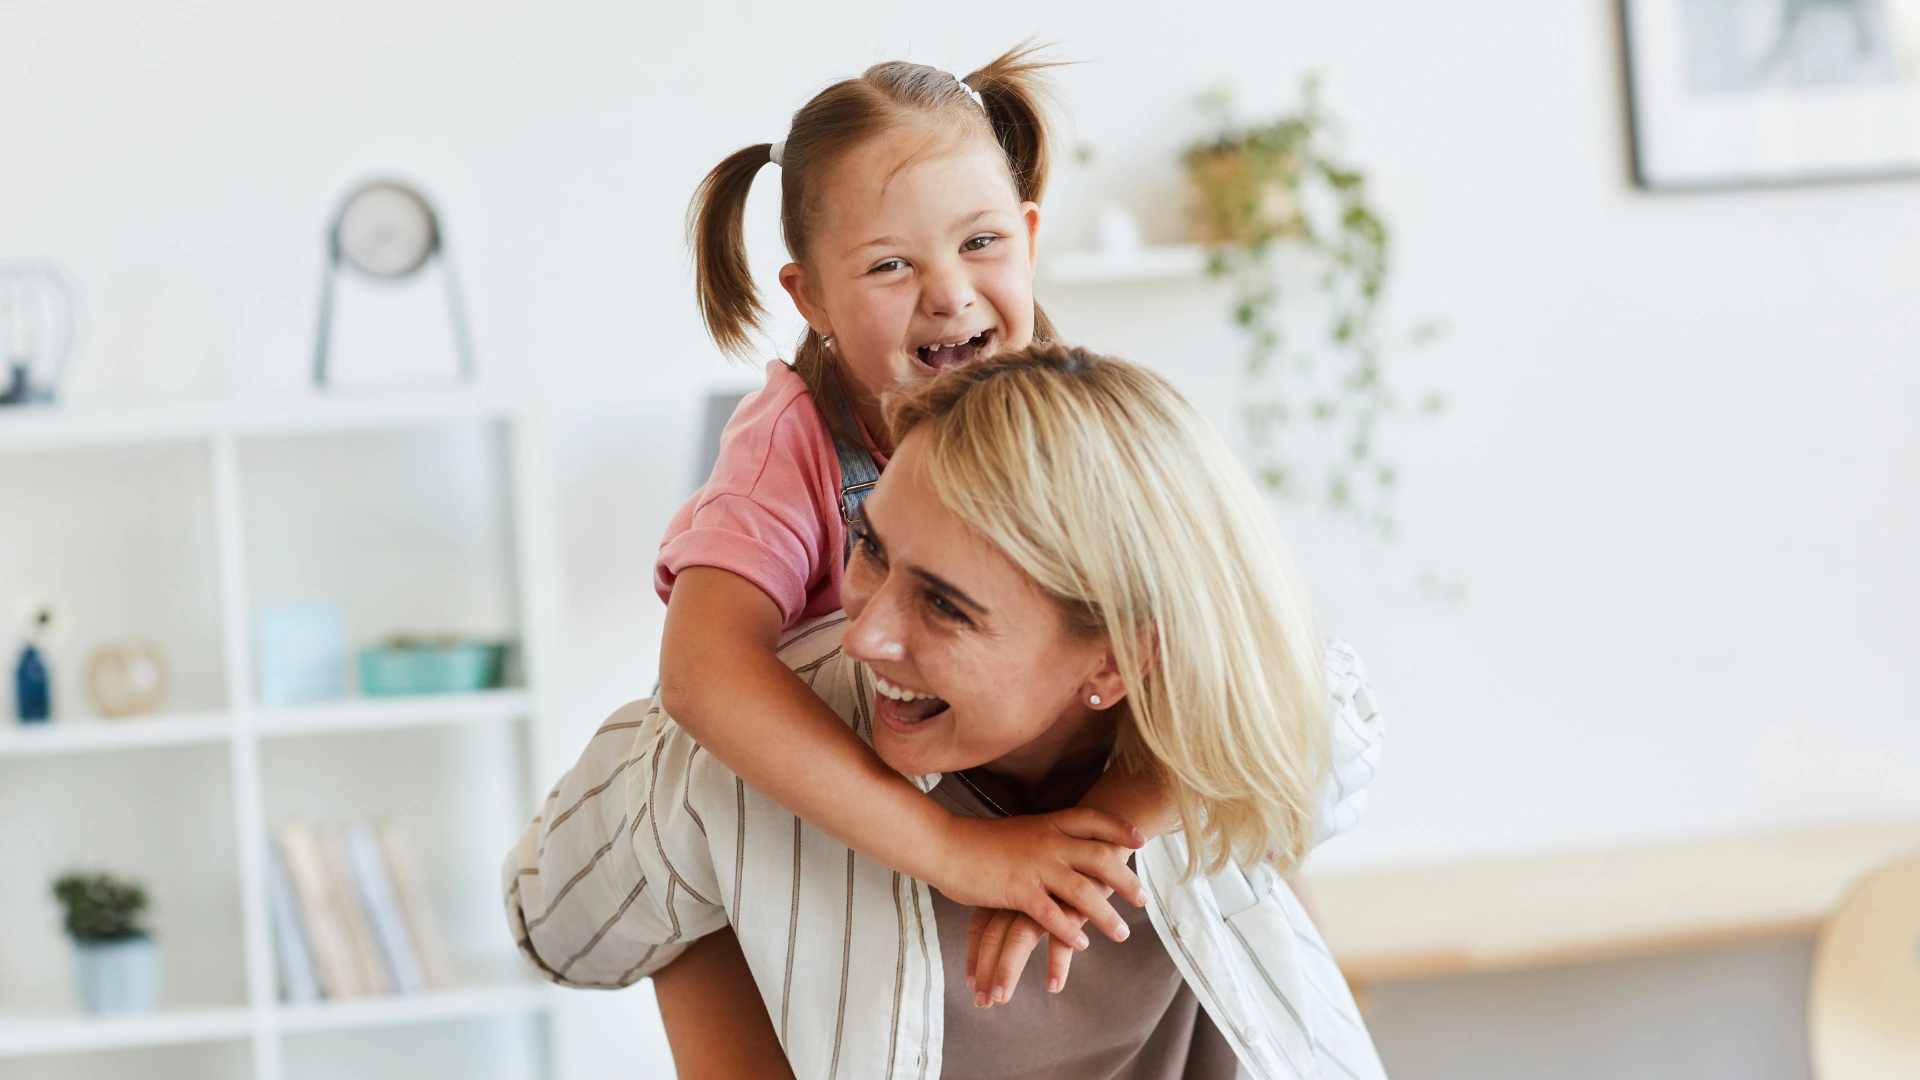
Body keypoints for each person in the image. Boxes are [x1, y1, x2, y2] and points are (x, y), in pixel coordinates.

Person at [508, 346, 1387, 1080]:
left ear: (1116, 661)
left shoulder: (1223, 749)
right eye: (870, 548)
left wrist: (1106, 829)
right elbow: (550, 927)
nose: (866, 635)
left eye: (946, 607)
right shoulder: (756, 751)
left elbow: (1314, 710)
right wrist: (683, 812)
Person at [658, 45, 1172, 970]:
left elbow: (1219, 652)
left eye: (981, 244)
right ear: (809, 295)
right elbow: (700, 674)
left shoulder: (1081, 422)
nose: (949, 292)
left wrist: (1102, 833)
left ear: (1028, 235)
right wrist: (959, 853)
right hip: (845, 839)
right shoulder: (789, 445)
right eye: (891, 265)